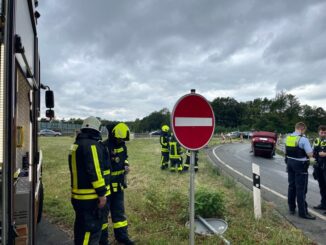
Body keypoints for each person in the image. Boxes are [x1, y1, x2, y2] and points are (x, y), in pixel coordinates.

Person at [68, 116, 111, 245]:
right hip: (90, 198)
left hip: (78, 196)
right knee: (90, 231)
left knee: (81, 229)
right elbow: (95, 171)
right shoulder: (92, 145)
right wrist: (102, 193)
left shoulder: (76, 145)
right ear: (96, 129)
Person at [104, 122, 134, 245]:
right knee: (103, 215)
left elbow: (125, 157)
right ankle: (102, 240)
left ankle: (122, 237)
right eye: (119, 138)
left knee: (119, 214)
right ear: (113, 135)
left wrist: (126, 164)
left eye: (123, 139)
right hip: (106, 187)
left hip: (119, 186)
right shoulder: (104, 146)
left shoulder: (123, 145)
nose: (121, 140)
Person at [285, 122, 315, 219]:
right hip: (300, 165)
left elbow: (287, 150)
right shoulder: (303, 139)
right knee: (301, 189)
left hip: (290, 163)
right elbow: (310, 154)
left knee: (291, 186)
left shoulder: (288, 137)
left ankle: (291, 208)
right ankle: (303, 212)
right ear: (302, 129)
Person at [312, 125, 326, 211]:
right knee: (322, 186)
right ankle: (323, 204)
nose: (323, 134)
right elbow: (313, 154)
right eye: (322, 132)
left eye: (325, 132)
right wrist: (314, 166)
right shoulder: (316, 141)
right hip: (318, 167)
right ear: (319, 132)